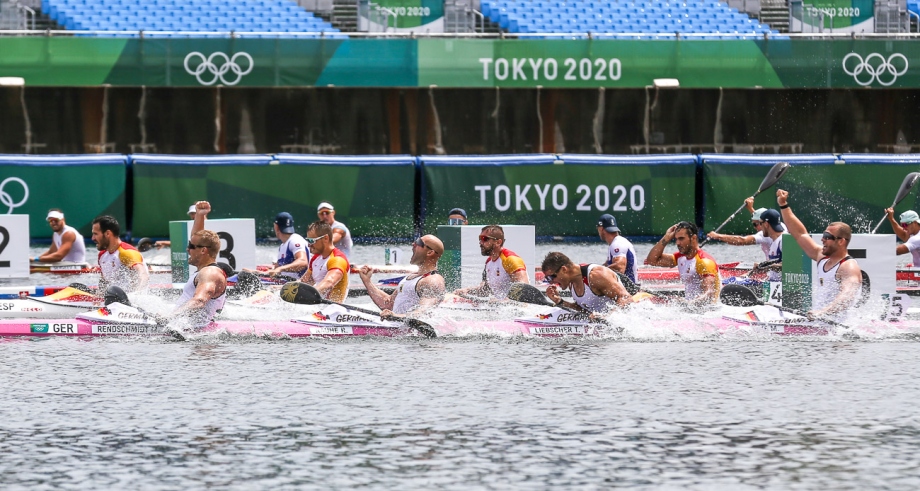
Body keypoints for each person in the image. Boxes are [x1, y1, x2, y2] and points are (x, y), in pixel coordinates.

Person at [777, 189, 862, 320]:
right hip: (820, 324)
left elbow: (847, 296)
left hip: (840, 332)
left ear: (841, 241)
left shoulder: (848, 267)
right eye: (823, 235)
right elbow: (800, 234)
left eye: (827, 236)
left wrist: (823, 312)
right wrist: (783, 205)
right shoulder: (822, 257)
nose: (822, 239)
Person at [169, 201, 228, 328]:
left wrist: (168, 318)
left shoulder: (210, 273)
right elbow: (197, 239)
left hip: (196, 332)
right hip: (185, 326)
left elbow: (199, 301)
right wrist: (199, 216)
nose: (187, 249)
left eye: (190, 247)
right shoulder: (206, 270)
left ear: (203, 251)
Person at [358, 234, 446, 319]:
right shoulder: (412, 277)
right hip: (398, 329)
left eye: (418, 242)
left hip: (414, 333)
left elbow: (424, 311)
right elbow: (388, 305)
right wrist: (367, 281)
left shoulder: (433, 280)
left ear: (430, 252)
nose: (413, 244)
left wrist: (396, 316)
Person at [646, 221, 721, 306]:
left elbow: (709, 295)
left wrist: (687, 304)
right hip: (690, 308)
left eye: (681, 238)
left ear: (693, 238)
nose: (677, 243)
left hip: (708, 312)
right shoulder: (680, 257)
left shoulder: (704, 262)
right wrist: (666, 238)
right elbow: (652, 260)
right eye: (676, 239)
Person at [453, 225, 528, 300]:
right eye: (480, 239)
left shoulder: (511, 259)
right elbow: (485, 290)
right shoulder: (488, 261)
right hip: (498, 306)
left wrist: (504, 301)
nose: (480, 243)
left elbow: (524, 289)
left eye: (484, 239)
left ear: (498, 242)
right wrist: (467, 291)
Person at [541, 252, 634, 312]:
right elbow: (585, 310)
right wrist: (560, 301)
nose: (551, 282)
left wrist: (607, 317)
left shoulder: (597, 275)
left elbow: (626, 298)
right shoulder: (571, 283)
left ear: (564, 269)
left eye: (551, 277)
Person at [92, 215, 149, 292]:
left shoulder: (127, 252)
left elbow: (143, 275)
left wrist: (137, 295)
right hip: (113, 298)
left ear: (107, 233)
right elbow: (104, 281)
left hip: (132, 300)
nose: (93, 238)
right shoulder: (102, 255)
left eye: (95, 234)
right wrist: (98, 298)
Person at [705, 198, 773, 260]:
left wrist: (717, 236)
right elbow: (760, 219)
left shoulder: (763, 235)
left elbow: (741, 240)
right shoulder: (779, 226)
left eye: (755, 224)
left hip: (774, 270)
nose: (754, 227)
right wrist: (750, 208)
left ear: (765, 223)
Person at [300, 221, 350, 303]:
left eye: (312, 240)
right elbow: (303, 282)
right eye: (308, 240)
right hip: (318, 307)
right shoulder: (316, 258)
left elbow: (329, 282)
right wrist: (278, 289)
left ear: (325, 238)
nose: (309, 244)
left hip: (334, 310)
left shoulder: (338, 259)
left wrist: (306, 295)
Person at [260, 212, 309, 279]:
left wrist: (281, 268)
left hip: (300, 285)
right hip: (288, 283)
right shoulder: (282, 246)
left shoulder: (295, 240)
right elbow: (275, 271)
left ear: (276, 227)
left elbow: (303, 262)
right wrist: (255, 272)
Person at [597, 214, 637, 284]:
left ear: (601, 228)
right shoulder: (615, 243)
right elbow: (607, 266)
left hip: (629, 290)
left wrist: (596, 274)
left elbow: (619, 267)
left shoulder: (617, 243)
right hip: (625, 287)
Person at [756, 209, 787, 282]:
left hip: (781, 287)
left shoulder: (783, 241)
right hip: (772, 283)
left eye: (760, 223)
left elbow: (790, 265)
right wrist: (761, 266)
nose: (760, 227)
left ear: (766, 224)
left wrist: (767, 267)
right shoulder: (774, 242)